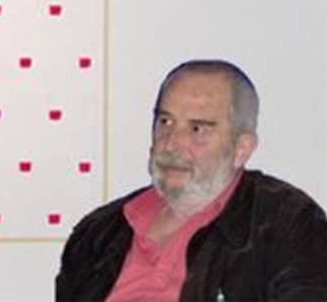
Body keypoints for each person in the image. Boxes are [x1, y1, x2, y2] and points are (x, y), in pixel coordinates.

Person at [55, 59, 327, 302]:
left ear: (241, 148)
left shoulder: (288, 224)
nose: (171, 144)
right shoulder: (98, 233)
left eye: (197, 129)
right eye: (165, 122)